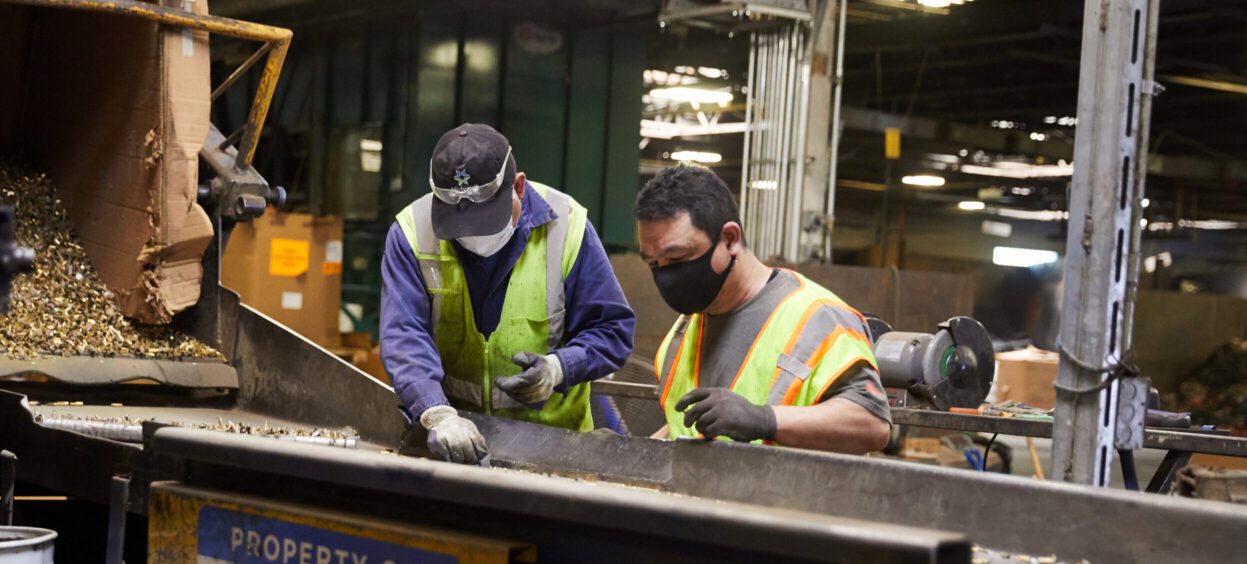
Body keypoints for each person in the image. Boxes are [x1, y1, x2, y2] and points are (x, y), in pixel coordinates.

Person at [380, 123, 635, 463]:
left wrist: (559, 368)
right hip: (456, 448)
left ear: (518, 186)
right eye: (458, 227)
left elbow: (612, 329)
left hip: (557, 452)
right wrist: (436, 412)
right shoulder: (412, 233)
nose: (471, 236)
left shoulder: (568, 228)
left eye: (484, 221)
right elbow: (403, 333)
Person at [635, 165, 891, 454]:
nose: (666, 276)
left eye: (677, 257)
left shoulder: (817, 317)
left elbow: (873, 425)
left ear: (730, 239)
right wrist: (639, 453)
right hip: (699, 498)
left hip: (786, 499)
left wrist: (765, 419)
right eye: (653, 264)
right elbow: (687, 427)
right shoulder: (684, 330)